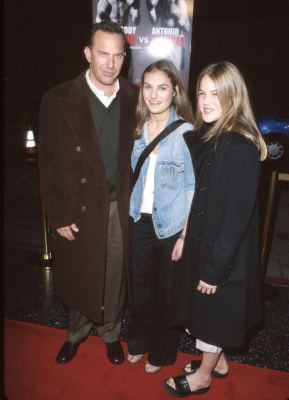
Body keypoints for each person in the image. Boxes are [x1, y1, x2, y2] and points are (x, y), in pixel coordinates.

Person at [163, 61, 267, 397]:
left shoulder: (238, 146)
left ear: (233, 97)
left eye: (216, 94)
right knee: (203, 313)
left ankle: (204, 375)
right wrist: (183, 236)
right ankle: (218, 363)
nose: (206, 101)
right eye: (202, 93)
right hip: (203, 243)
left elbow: (236, 219)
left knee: (212, 317)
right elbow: (197, 197)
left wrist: (214, 270)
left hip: (223, 256)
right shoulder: (211, 137)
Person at [38, 21, 138, 365]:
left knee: (115, 275)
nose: (109, 64)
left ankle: (110, 332)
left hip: (118, 205)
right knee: (82, 272)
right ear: (87, 54)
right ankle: (77, 333)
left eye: (117, 56)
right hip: (78, 207)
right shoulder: (58, 99)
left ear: (124, 58)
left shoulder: (134, 97)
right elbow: (47, 165)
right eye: (102, 54)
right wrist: (58, 216)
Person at [126, 59, 195, 374]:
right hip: (139, 220)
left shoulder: (186, 132)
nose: (154, 95)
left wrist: (184, 234)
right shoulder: (136, 127)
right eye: (148, 87)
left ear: (175, 91)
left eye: (162, 87)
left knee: (166, 292)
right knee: (139, 288)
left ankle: (163, 352)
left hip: (170, 228)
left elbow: (193, 189)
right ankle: (138, 342)